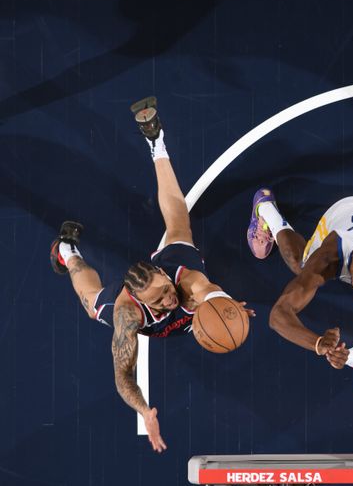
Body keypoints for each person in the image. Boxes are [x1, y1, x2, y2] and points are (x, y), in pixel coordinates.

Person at [49, 97, 251, 453]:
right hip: (119, 303)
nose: (169, 299)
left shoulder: (183, 282)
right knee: (91, 303)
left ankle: (156, 141)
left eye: (165, 289)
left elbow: (210, 291)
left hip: (177, 263)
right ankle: (67, 250)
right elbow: (123, 375)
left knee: (178, 221)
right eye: (159, 299)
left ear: (161, 271)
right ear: (140, 301)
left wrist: (227, 305)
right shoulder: (127, 314)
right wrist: (145, 410)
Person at [247, 192, 353, 369]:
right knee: (300, 265)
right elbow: (278, 315)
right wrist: (318, 344)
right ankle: (266, 207)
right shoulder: (329, 256)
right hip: (346, 211)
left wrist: (343, 356)